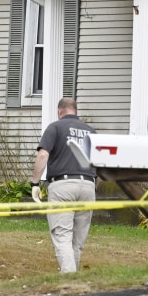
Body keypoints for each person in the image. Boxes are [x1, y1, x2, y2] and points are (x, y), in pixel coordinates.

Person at [31, 98, 97, 273]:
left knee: (62, 236)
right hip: (88, 185)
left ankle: (69, 281)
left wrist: (35, 183)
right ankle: (72, 277)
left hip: (63, 186)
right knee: (77, 241)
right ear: (75, 111)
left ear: (60, 111)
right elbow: (101, 162)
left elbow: (43, 155)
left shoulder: (55, 127)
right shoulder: (91, 131)